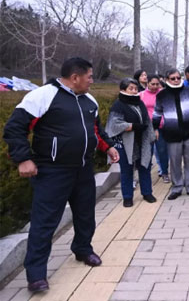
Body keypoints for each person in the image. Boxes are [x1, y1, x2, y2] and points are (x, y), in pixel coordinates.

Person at [3, 57, 119, 293]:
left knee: (85, 214)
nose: (92, 81)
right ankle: (36, 275)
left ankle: (83, 249)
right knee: (44, 223)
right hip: (52, 171)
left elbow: (95, 129)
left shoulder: (90, 100)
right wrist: (23, 158)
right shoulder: (42, 96)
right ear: (75, 77)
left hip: (83, 168)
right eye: (89, 77)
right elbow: (15, 128)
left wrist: (108, 146)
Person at [153, 68, 189, 200]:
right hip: (172, 133)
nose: (176, 80)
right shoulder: (161, 95)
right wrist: (154, 129)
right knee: (175, 162)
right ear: (166, 80)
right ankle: (176, 188)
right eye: (173, 78)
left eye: (178, 77)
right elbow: (157, 114)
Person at [105, 78, 156, 207]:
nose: (134, 91)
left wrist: (150, 134)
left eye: (136, 88)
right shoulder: (118, 104)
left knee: (145, 166)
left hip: (141, 140)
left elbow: (147, 120)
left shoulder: (140, 103)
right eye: (131, 89)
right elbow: (114, 124)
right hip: (125, 143)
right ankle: (127, 197)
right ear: (123, 90)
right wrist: (132, 126)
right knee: (126, 170)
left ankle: (147, 193)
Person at [141, 74, 170, 183]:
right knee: (147, 151)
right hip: (147, 128)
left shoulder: (164, 94)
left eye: (157, 84)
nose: (155, 86)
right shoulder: (141, 95)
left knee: (162, 151)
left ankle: (165, 172)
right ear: (147, 83)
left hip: (162, 127)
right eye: (152, 84)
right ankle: (145, 174)